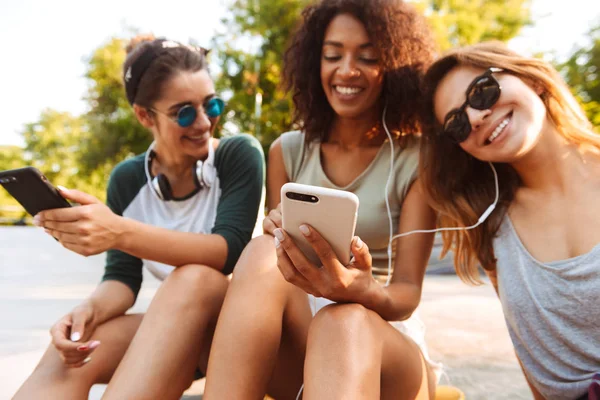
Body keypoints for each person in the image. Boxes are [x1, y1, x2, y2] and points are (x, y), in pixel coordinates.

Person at [204, 1, 442, 399]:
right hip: (303, 333)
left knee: (343, 321)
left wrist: (359, 289)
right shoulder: (288, 151)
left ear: (395, 67)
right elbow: (275, 279)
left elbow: (406, 295)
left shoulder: (416, 159)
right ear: (315, 62)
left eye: (367, 57)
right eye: (333, 55)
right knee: (264, 251)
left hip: (379, 336)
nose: (346, 70)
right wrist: (277, 237)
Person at [14, 35, 264, 400]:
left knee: (194, 278)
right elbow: (122, 279)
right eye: (184, 112)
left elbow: (229, 250)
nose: (204, 123)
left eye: (211, 105)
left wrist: (119, 231)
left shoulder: (238, 155)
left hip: (242, 333)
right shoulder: (128, 179)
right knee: (69, 348)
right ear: (145, 116)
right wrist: (88, 310)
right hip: (177, 326)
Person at [420, 41, 600, 400]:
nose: (474, 118)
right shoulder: (489, 227)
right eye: (456, 124)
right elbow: (533, 359)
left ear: (531, 80)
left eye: (481, 91)